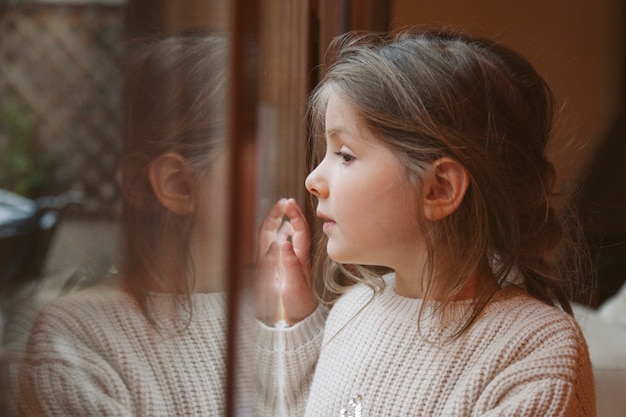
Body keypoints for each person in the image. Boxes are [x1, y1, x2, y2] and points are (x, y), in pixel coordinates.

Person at [256, 28, 596, 416]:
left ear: (439, 189)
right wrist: (298, 315)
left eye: (346, 155)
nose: (312, 181)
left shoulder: (537, 352)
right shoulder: (356, 308)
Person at [12, 32, 232, 416]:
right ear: (177, 184)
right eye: (270, 152)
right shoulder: (78, 341)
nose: (312, 176)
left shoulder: (298, 310)